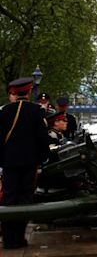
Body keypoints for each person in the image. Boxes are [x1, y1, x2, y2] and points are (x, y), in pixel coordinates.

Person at [0, 77, 50, 249]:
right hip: (29, 163)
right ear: (29, 92)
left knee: (8, 199)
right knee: (24, 200)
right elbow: (43, 139)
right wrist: (43, 157)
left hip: (9, 164)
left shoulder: (4, 111)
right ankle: (19, 238)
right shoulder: (37, 111)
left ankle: (8, 239)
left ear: (13, 92)